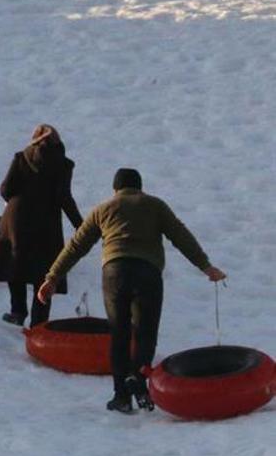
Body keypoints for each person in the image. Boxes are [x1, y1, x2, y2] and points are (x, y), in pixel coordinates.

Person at [38, 168, 228, 414]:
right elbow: (181, 235)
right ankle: (138, 378)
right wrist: (206, 266)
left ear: (115, 189)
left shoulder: (103, 209)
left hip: (115, 273)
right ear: (140, 188)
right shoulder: (155, 205)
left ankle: (121, 396)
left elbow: (76, 245)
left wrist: (52, 277)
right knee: (146, 331)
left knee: (120, 331)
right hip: (148, 272)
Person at [0, 125, 82, 327]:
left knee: (16, 265)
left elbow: (5, 189)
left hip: (15, 218)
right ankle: (39, 322)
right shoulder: (63, 165)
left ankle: (17, 311)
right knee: (45, 271)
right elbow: (63, 197)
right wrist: (80, 224)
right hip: (45, 222)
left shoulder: (21, 157)